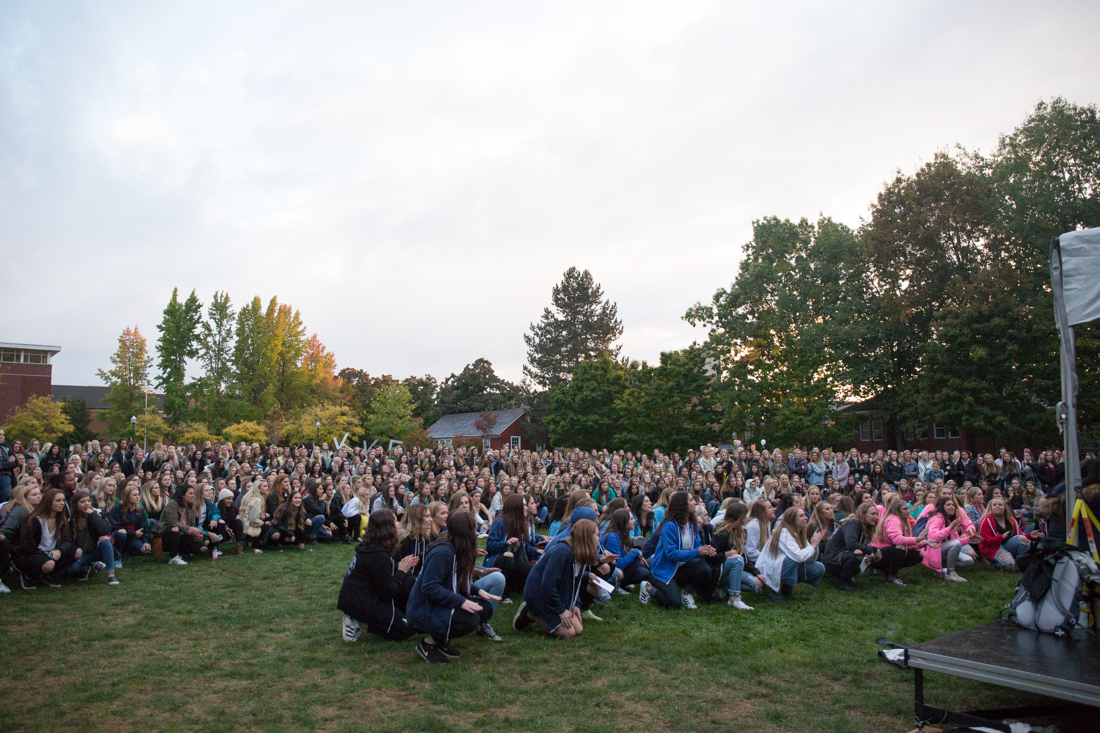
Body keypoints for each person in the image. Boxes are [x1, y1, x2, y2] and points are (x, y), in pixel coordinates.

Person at [406, 510, 499, 665]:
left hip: (439, 601)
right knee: (470, 620)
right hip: (423, 607)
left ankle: (440, 639)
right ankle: (428, 643)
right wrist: (460, 601)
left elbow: (455, 578)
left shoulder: (455, 546)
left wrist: (477, 590)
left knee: (484, 609)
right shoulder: (443, 552)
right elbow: (429, 587)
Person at [338, 509, 419, 643]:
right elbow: (387, 592)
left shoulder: (373, 547)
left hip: (362, 594)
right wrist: (401, 571)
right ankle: (356, 621)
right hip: (361, 601)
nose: (398, 524)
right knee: (406, 631)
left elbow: (378, 575)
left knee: (409, 582)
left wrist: (399, 566)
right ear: (387, 527)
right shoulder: (378, 555)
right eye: (395, 521)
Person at [514, 518, 599, 638]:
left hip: (557, 592)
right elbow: (547, 583)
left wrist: (576, 604)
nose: (598, 538)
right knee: (568, 633)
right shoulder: (562, 552)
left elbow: (576, 582)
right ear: (587, 538)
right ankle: (530, 613)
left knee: (578, 629)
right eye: (596, 535)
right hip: (539, 593)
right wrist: (561, 610)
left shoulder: (580, 553)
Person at [641, 491, 716, 609]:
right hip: (664, 569)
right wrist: (697, 552)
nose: (694, 502)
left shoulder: (692, 524)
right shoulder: (669, 526)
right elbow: (671, 553)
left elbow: (696, 545)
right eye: (691, 500)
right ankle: (648, 588)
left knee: (706, 569)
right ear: (682, 504)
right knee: (673, 604)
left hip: (682, 567)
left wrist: (704, 550)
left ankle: (686, 593)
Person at [14, 488, 80, 586]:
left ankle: (49, 575)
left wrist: (59, 550)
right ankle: (30, 575)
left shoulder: (62, 520)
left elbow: (68, 540)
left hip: (53, 552)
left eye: (63, 500)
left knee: (77, 552)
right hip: (32, 554)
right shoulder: (34, 520)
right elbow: (27, 546)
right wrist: (45, 554)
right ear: (48, 502)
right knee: (49, 564)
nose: (61, 503)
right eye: (58, 501)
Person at [758, 506, 825, 602]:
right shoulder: (784, 533)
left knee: (819, 567)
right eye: (801, 516)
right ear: (792, 520)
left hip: (783, 566)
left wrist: (815, 544)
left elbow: (810, 559)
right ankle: (775, 591)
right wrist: (812, 546)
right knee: (791, 560)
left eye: (805, 515)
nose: (806, 518)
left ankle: (786, 587)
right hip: (770, 569)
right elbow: (798, 557)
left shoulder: (800, 533)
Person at [484, 494, 543, 594]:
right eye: (523, 505)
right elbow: (489, 546)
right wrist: (506, 543)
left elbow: (525, 546)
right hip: (497, 560)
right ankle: (503, 593)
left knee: (533, 570)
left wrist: (536, 550)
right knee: (507, 557)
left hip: (515, 560)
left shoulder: (520, 523)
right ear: (516, 507)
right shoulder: (500, 522)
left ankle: (511, 587)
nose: (526, 508)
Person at [710, 501, 760, 610]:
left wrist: (757, 573)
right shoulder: (723, 533)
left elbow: (744, 557)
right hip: (718, 569)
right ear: (739, 517)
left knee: (754, 585)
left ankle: (723, 588)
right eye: (745, 515)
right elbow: (710, 557)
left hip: (731, 568)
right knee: (737, 559)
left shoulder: (741, 532)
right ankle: (734, 597)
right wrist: (727, 554)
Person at [69, 490, 119, 586]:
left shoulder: (97, 513)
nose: (86, 504)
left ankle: (111, 575)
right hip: (81, 553)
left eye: (88, 501)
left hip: (95, 550)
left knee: (105, 540)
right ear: (76, 504)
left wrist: (92, 515)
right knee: (73, 569)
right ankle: (87, 566)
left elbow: (105, 530)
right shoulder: (71, 520)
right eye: (82, 502)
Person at [155, 484, 211, 566]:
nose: (193, 496)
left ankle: (183, 552)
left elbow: (191, 524)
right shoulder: (172, 505)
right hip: (167, 534)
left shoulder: (190, 507)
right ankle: (173, 557)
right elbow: (172, 523)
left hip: (184, 534)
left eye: (193, 493)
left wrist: (195, 534)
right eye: (190, 493)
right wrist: (192, 530)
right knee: (175, 529)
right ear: (182, 495)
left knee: (202, 548)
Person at [921, 496, 974, 582]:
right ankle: (950, 573)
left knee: (969, 561)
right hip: (933, 550)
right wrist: (949, 528)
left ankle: (941, 569)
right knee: (955, 543)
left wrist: (969, 539)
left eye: (953, 505)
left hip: (944, 550)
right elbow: (932, 537)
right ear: (942, 507)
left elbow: (956, 540)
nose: (952, 507)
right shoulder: (936, 518)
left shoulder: (949, 520)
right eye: (948, 505)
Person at [978, 497, 1040, 569]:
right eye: (995, 505)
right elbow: (985, 541)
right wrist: (1001, 537)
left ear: (1005, 507)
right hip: (992, 547)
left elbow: (1019, 535)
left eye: (1000, 505)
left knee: (1023, 539)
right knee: (1009, 565)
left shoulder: (1011, 519)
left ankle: (1021, 561)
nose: (997, 506)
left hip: (1007, 544)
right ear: (990, 507)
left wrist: (1030, 535)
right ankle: (994, 564)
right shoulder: (986, 520)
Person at [600, 508, 650, 591]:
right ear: (623, 522)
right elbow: (618, 564)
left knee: (646, 570)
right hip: (610, 574)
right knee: (641, 567)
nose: (634, 521)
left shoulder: (621, 533)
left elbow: (623, 550)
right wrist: (636, 552)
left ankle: (623, 584)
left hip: (619, 569)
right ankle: (618, 586)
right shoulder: (612, 537)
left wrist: (633, 542)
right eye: (631, 519)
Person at [106, 485, 152, 564]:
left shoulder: (140, 510)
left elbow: (145, 527)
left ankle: (128, 552)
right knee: (121, 533)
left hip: (134, 538)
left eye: (138, 494)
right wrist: (133, 533)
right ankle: (117, 557)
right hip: (121, 536)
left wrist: (146, 542)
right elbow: (113, 526)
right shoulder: (117, 508)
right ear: (127, 496)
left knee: (143, 551)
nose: (137, 497)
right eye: (134, 495)